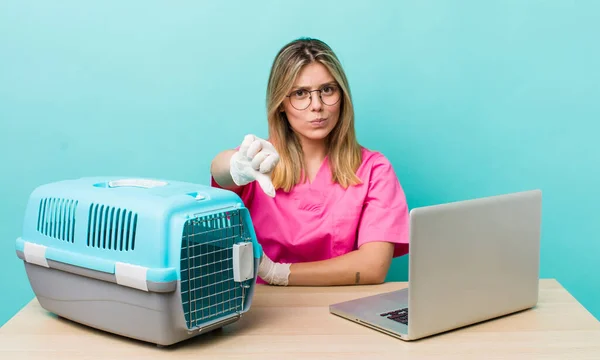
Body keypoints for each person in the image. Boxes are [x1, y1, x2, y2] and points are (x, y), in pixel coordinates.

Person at [210, 37, 409, 286]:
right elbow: (219, 170)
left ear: (342, 95)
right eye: (300, 93)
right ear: (281, 103)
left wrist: (277, 273)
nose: (317, 106)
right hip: (264, 309)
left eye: (327, 90)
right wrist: (235, 166)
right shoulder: (258, 160)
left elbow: (373, 267)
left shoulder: (374, 169)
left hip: (341, 306)